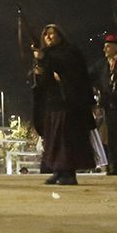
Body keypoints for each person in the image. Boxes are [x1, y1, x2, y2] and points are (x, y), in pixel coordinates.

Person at [29, 24, 95, 185]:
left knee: (67, 139)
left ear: (60, 35)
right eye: (46, 35)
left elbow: (69, 70)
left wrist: (45, 58)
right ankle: (58, 170)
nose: (48, 37)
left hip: (69, 103)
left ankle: (68, 172)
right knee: (53, 139)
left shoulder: (70, 51)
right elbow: (42, 80)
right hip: (51, 103)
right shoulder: (47, 54)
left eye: (52, 34)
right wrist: (38, 70)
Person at [90, 34, 117, 175]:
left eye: (108, 46)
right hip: (109, 104)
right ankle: (116, 166)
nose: (105, 49)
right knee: (113, 136)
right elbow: (89, 75)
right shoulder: (102, 64)